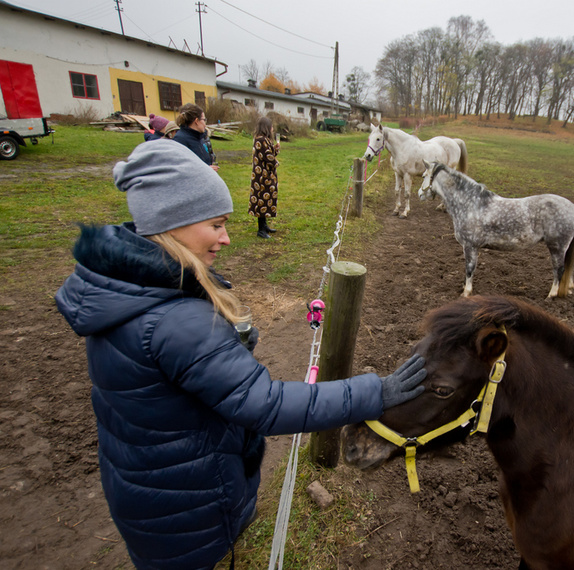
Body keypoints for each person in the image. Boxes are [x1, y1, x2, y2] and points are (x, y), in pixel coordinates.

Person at [54, 140, 425, 570]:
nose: (227, 238)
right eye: (216, 224)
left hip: (147, 490)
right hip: (188, 512)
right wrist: (375, 392)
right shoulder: (176, 321)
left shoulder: (125, 293)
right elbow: (266, 405)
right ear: (174, 223)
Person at [249, 116, 280, 238]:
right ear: (266, 127)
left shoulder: (265, 140)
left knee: (265, 201)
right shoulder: (260, 140)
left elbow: (269, 152)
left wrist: (275, 149)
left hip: (266, 176)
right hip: (262, 178)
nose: (272, 129)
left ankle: (264, 225)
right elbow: (267, 157)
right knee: (261, 201)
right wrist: (276, 163)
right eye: (271, 127)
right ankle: (261, 230)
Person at [173, 102, 218, 171]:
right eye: (204, 120)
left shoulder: (199, 137)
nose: (205, 124)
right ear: (196, 121)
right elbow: (180, 168)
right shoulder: (180, 140)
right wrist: (205, 169)